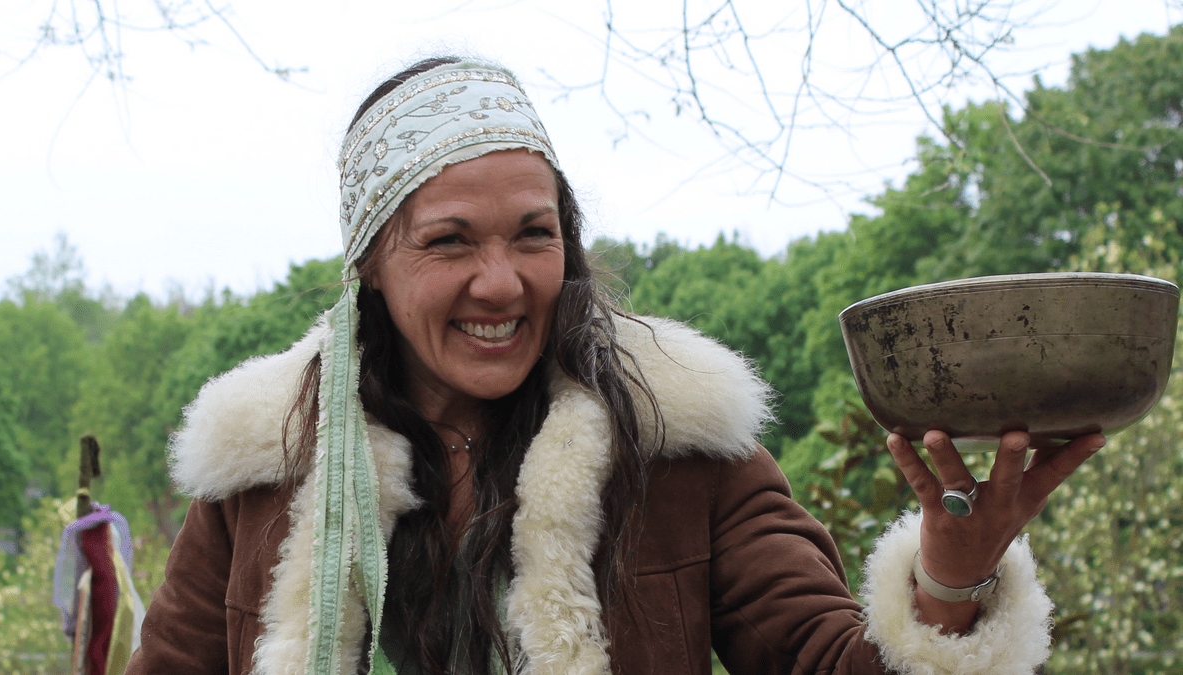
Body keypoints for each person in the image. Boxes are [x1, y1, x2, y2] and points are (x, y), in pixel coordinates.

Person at [125, 56, 1103, 675]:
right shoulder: (267, 463)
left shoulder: (677, 440)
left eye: (533, 233)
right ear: (371, 267)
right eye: (450, 241)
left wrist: (952, 581)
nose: (501, 281)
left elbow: (829, 660)